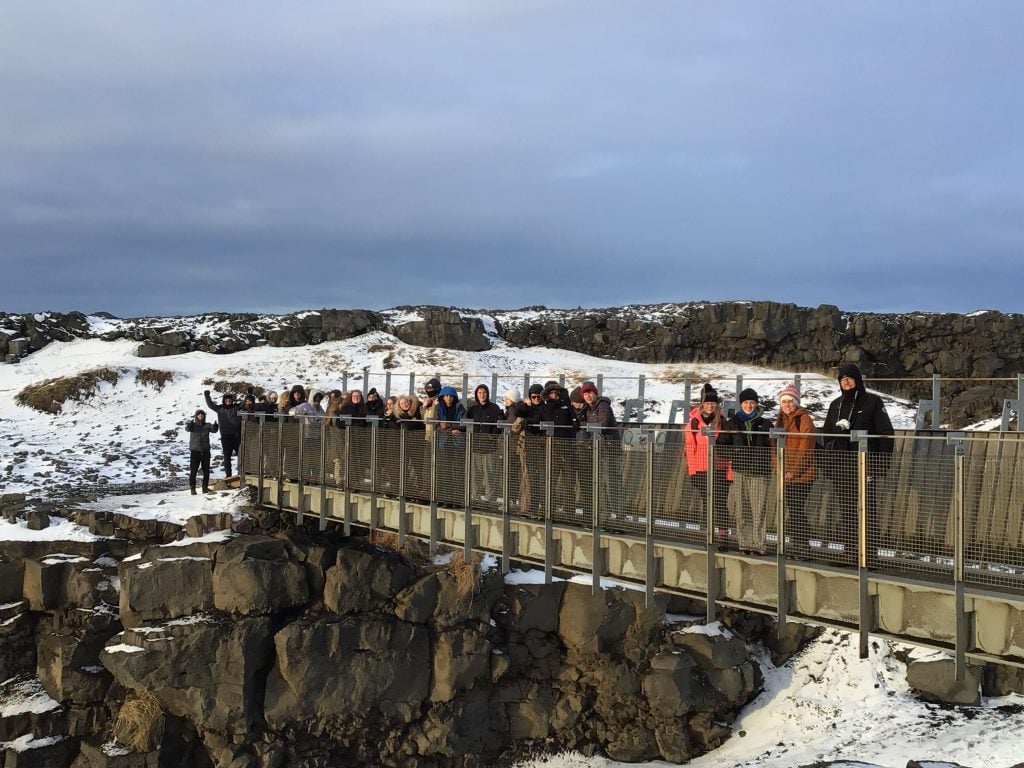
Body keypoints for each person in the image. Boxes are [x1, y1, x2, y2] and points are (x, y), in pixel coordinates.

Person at [822, 363, 895, 560]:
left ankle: (869, 554)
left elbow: (886, 433)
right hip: (840, 465)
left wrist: (880, 465)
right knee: (846, 510)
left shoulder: (872, 402)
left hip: (865, 465)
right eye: (842, 379)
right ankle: (850, 551)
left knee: (867, 510)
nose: (846, 382)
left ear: (857, 380)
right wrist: (827, 464)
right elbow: (825, 435)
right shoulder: (835, 405)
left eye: (849, 378)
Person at [719, 388, 773, 555]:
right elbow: (722, 443)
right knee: (742, 509)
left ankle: (759, 544)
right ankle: (744, 543)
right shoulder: (733, 423)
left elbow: (772, 446)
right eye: (746, 403)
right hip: (740, 470)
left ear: (756, 404)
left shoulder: (765, 424)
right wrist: (734, 456)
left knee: (759, 509)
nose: (749, 405)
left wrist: (768, 461)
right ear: (741, 404)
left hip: (760, 471)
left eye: (752, 402)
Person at [773, 383, 817, 556]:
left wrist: (793, 471)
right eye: (784, 402)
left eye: (790, 401)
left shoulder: (803, 419)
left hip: (802, 475)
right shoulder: (781, 420)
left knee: (797, 509)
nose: (787, 405)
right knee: (794, 509)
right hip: (786, 473)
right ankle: (799, 545)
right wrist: (778, 468)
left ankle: (802, 547)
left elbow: (806, 447)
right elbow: (774, 447)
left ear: (796, 402)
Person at [684, 384, 732, 529]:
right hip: (701, 469)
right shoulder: (693, 423)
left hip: (720, 469)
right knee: (707, 502)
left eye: (713, 403)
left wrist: (729, 473)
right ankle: (708, 535)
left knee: (721, 503)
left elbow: (729, 449)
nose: (710, 406)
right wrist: (692, 472)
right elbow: (690, 448)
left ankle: (723, 536)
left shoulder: (723, 423)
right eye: (707, 403)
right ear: (702, 404)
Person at [580, 382, 623, 526]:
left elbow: (602, 425)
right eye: (585, 394)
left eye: (590, 393)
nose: (588, 396)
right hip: (599, 450)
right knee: (602, 485)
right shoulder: (590, 409)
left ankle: (618, 517)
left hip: (609, 450)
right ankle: (605, 517)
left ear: (595, 393)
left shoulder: (602, 406)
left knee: (612, 484)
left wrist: (585, 426)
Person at [466, 384, 503, 502]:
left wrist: (492, 437)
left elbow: (500, 424)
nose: (482, 395)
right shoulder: (472, 409)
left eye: (484, 392)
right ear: (476, 394)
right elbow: (465, 423)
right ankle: (475, 497)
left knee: (490, 474)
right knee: (475, 474)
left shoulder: (494, 408)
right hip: (475, 447)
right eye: (480, 393)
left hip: (489, 448)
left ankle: (489, 498)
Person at [203, 390, 241, 477]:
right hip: (226, 437)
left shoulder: (236, 407)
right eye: (226, 399)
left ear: (232, 400)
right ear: (224, 400)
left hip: (237, 436)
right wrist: (207, 396)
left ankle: (241, 473)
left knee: (241, 455)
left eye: (230, 399)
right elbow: (210, 405)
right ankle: (228, 475)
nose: (228, 401)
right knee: (227, 457)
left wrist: (249, 394)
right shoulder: (220, 409)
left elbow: (245, 404)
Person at [185, 409, 218, 494]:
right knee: (193, 471)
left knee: (206, 471)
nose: (200, 416)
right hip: (195, 451)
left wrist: (215, 426)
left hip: (205, 451)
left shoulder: (207, 425)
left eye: (202, 415)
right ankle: (193, 488)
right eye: (199, 415)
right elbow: (187, 429)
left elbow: (214, 430)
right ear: (196, 416)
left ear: (204, 416)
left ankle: (205, 488)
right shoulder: (193, 425)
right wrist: (189, 425)